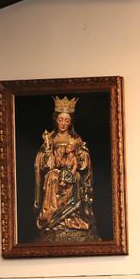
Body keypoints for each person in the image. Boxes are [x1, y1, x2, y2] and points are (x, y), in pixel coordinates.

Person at [33, 96, 96, 241]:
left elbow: (83, 155)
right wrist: (46, 157)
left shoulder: (76, 139)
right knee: (53, 176)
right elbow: (40, 159)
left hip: (71, 171)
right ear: (56, 120)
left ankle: (71, 219)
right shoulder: (50, 138)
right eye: (60, 120)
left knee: (76, 178)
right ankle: (51, 220)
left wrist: (81, 157)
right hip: (55, 171)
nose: (63, 123)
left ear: (71, 122)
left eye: (66, 120)